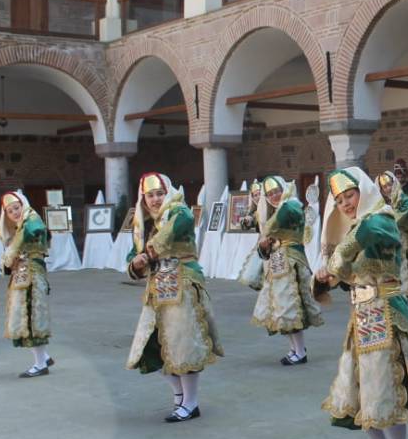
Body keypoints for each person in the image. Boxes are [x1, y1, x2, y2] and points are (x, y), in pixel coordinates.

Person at [317, 167, 408, 439]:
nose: (346, 204)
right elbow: (346, 273)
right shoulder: (358, 225)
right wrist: (329, 276)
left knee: (386, 389)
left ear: (363, 191)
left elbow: (376, 235)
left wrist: (337, 259)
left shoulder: (381, 217)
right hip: (362, 315)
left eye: (349, 195)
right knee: (360, 388)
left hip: (386, 313)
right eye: (339, 200)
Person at [126, 173, 223, 422]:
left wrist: (147, 254)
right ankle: (180, 396)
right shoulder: (144, 225)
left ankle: (190, 402)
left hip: (183, 284)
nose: (156, 199)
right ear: (143, 199)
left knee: (184, 344)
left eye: (160, 194)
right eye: (151, 195)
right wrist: (135, 262)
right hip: (157, 288)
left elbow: (175, 229)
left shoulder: (179, 212)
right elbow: (132, 256)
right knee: (150, 346)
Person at [243, 176, 324, 365]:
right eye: (269, 194)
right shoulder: (280, 209)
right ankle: (297, 349)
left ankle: (300, 351)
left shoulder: (291, 205)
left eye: (276, 191)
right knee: (282, 307)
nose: (274, 196)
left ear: (284, 189)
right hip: (279, 262)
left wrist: (266, 232)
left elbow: (271, 227)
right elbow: (266, 240)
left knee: (288, 306)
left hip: (291, 261)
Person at [0, 192, 55, 378]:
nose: (14, 212)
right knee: (25, 316)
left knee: (31, 317)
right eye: (10, 210)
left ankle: (40, 364)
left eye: (17, 207)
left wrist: (7, 260)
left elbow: (10, 255)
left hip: (30, 276)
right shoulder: (23, 226)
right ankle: (43, 357)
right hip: (24, 276)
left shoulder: (31, 222)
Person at [377, 170, 408, 300]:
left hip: (403, 241)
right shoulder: (381, 204)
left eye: (389, 185)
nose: (387, 189)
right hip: (388, 246)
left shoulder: (402, 198)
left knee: (406, 275)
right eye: (384, 187)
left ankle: (406, 298)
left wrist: (389, 220)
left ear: (394, 184)